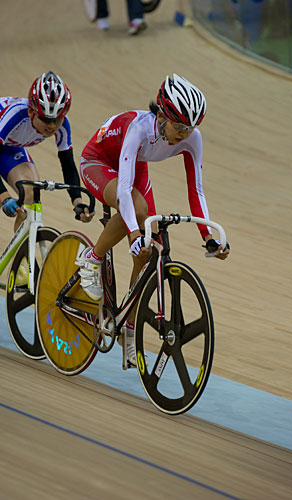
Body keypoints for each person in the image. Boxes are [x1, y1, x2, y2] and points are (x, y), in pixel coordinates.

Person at [79, 73, 230, 366]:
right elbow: (124, 190)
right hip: (98, 162)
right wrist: (134, 234)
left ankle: (129, 326)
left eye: (191, 127)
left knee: (152, 249)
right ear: (162, 114)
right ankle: (92, 257)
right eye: (180, 126)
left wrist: (208, 237)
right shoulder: (138, 128)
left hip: (135, 167)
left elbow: (196, 190)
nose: (184, 134)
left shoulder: (191, 138)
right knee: (135, 213)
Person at [0, 71, 94, 233]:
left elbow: (67, 163)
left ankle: (20, 256)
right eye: (45, 119)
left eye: (56, 119)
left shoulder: (63, 126)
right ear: (31, 112)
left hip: (7, 146)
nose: (51, 126)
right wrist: (3, 197)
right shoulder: (14, 116)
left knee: (31, 192)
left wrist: (77, 202)